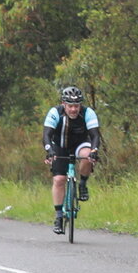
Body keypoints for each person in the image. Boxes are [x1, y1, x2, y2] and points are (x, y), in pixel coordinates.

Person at [43, 86, 103, 234]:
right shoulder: (55, 112)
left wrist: (94, 151)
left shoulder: (88, 113)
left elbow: (95, 135)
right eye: (70, 106)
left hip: (80, 144)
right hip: (59, 146)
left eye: (76, 106)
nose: (74, 109)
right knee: (59, 180)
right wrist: (49, 151)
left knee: (87, 156)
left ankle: (82, 184)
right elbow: (46, 135)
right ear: (64, 104)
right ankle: (58, 217)